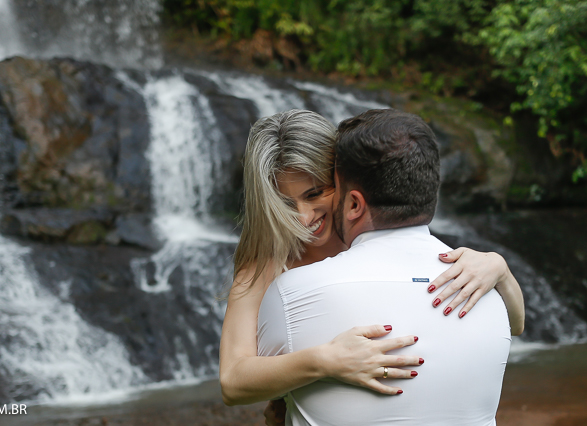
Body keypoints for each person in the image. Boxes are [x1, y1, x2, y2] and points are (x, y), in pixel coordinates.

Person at [219, 109, 524, 412]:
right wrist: (324, 362)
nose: (303, 217)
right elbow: (232, 382)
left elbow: (515, 324)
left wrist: (499, 269)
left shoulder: (385, 239)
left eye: (315, 194)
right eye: (285, 203)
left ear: (344, 182)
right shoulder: (264, 269)